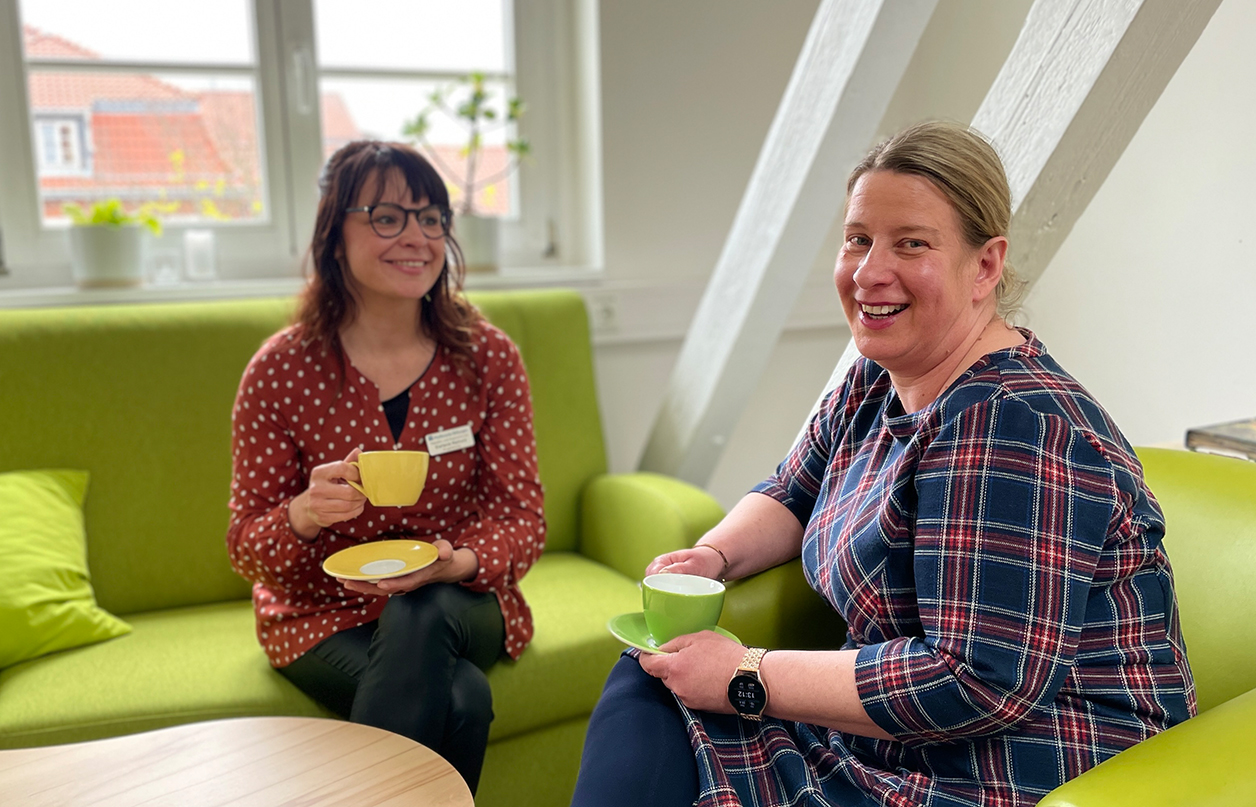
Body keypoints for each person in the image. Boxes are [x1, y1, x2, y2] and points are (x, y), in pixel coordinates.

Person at [571, 121, 1195, 807]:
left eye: (911, 244)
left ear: (985, 266)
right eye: (858, 239)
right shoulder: (877, 378)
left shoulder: (1014, 422)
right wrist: (712, 558)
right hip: (893, 737)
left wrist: (746, 672)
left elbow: (978, 681)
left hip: (1021, 765)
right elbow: (791, 489)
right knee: (651, 674)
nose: (869, 271)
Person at [226, 140, 545, 795]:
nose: (417, 238)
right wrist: (303, 515)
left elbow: (522, 518)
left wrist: (455, 561)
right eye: (387, 216)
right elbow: (244, 545)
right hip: (320, 613)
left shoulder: (489, 358)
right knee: (462, 699)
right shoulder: (281, 371)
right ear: (334, 235)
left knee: (420, 608)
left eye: (431, 218)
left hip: (462, 597)